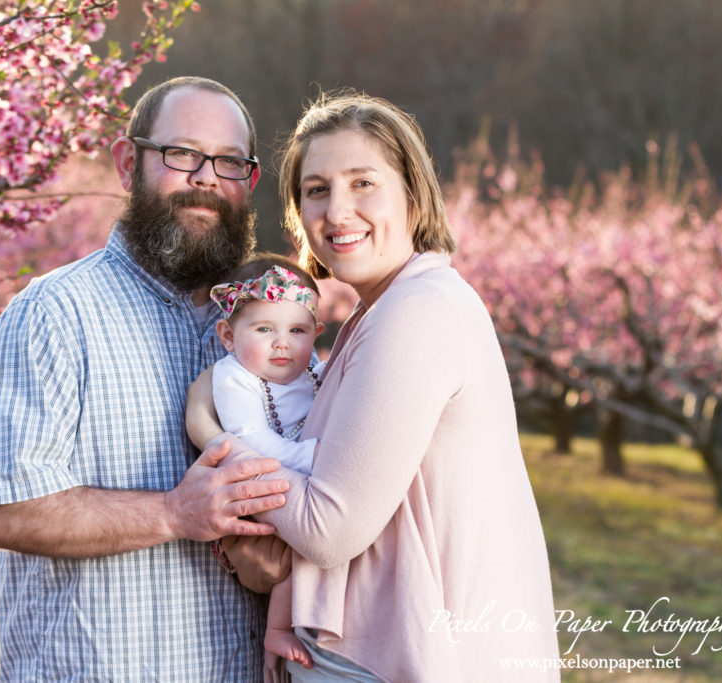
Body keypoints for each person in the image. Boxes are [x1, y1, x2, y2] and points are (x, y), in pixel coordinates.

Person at [187, 90, 561, 682]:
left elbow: (328, 528)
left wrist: (211, 433)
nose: (337, 211)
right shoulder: (380, 310)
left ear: (413, 196)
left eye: (364, 183)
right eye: (317, 189)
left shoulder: (417, 313)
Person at [0, 76, 293, 681]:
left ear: (250, 181)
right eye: (182, 154)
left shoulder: (265, 328)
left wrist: (274, 569)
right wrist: (172, 512)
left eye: (228, 162)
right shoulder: (52, 314)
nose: (205, 179)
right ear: (126, 162)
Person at [203, 255, 326, 673]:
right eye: (263, 329)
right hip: (256, 491)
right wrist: (319, 458)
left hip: (298, 481)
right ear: (227, 335)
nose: (282, 343)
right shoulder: (233, 377)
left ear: (316, 334)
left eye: (297, 330)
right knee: (288, 551)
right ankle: (278, 628)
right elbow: (253, 442)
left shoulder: (311, 368)